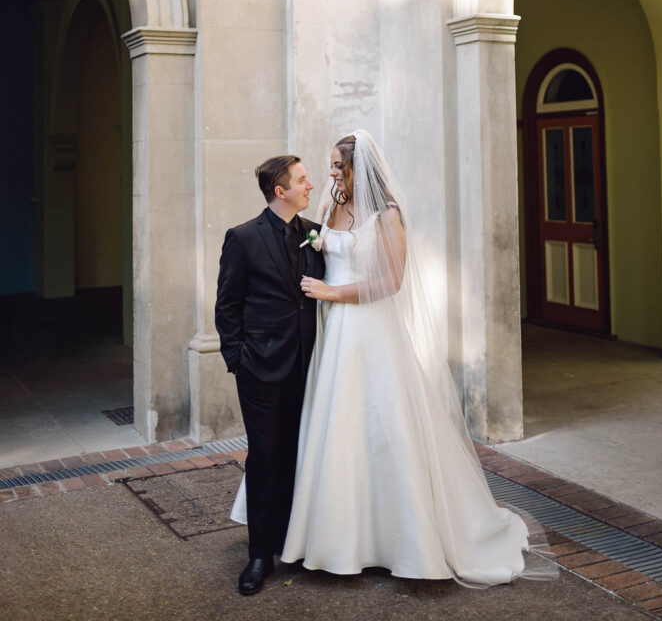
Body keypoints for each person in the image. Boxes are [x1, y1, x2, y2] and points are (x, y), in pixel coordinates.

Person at [280, 130, 557, 586]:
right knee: (339, 428)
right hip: (334, 337)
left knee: (384, 427)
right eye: (328, 166)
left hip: (370, 329)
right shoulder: (331, 209)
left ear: (358, 167)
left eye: (336, 165)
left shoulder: (388, 216)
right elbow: (320, 249)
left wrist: (332, 291)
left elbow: (391, 281)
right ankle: (337, 538)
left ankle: (404, 540)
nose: (330, 173)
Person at [215, 154, 325, 596]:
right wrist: (237, 358)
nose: (310, 185)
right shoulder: (242, 237)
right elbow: (227, 305)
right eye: (302, 180)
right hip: (259, 367)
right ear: (280, 191)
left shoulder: (315, 233)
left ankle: (289, 539)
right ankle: (259, 554)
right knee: (264, 457)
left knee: (298, 453)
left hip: (307, 364)